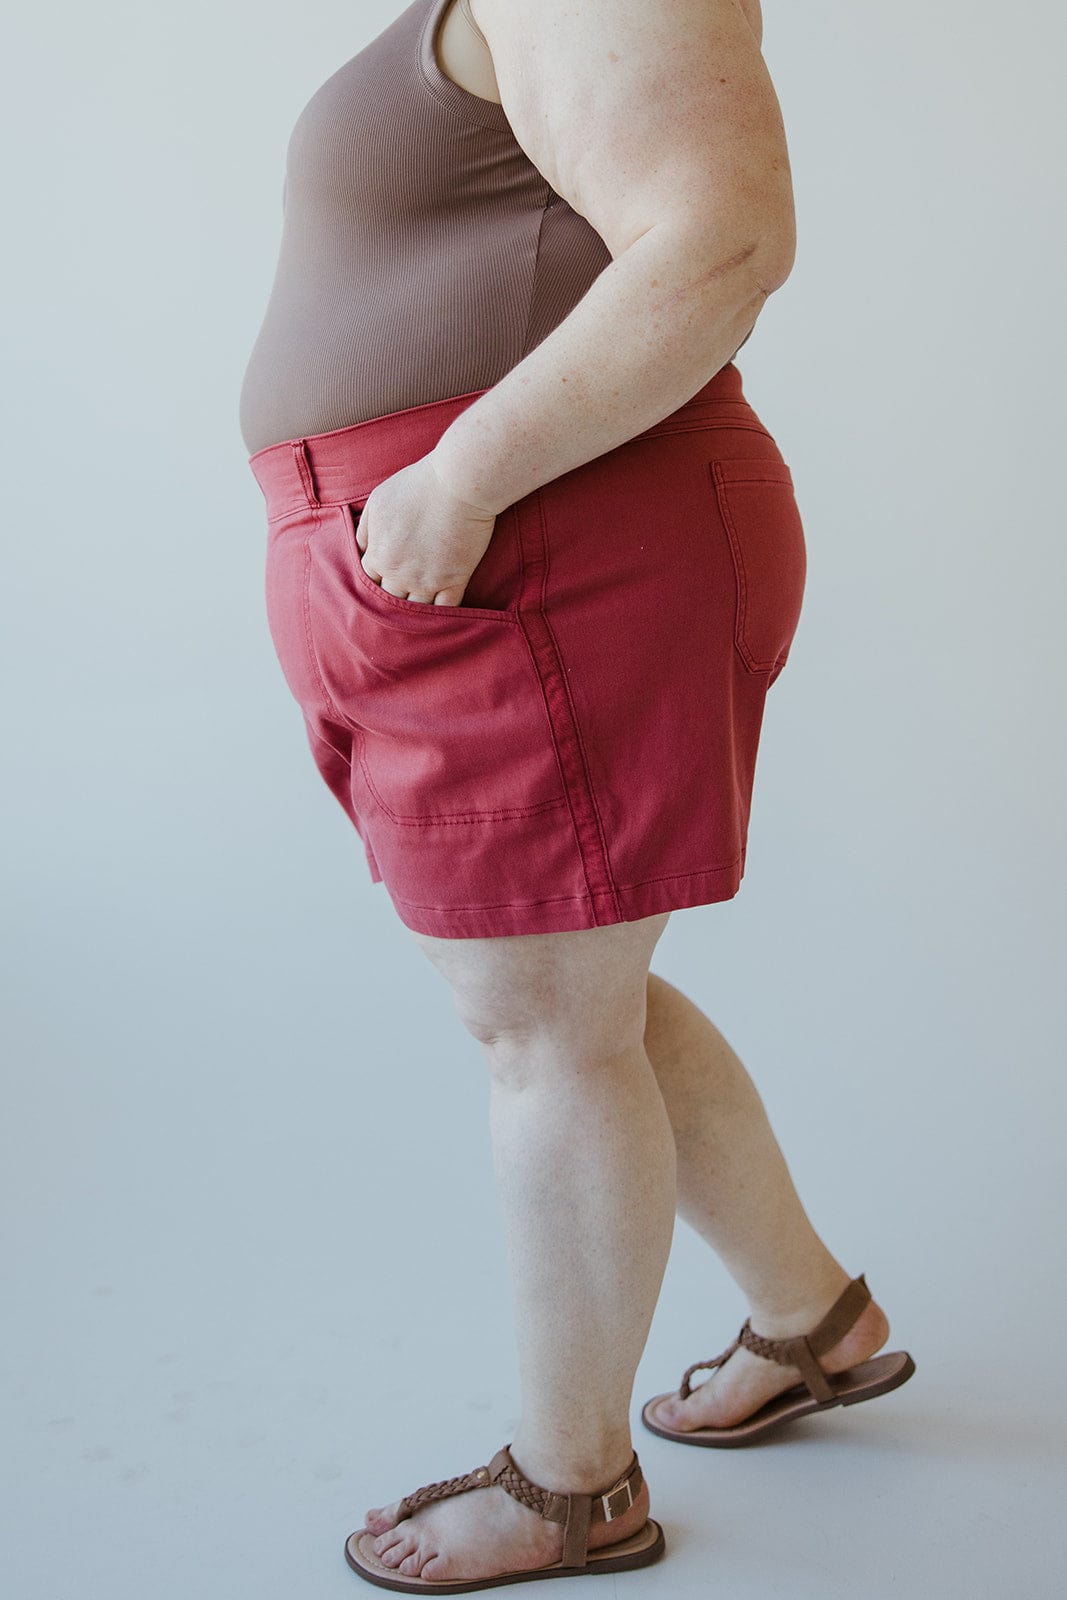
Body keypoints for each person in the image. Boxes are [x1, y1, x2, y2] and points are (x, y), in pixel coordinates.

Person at [239, 1, 914, 1591]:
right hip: (481, 553)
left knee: (549, 1026)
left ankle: (573, 1488)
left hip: (539, 541)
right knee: (575, 1001)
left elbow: (722, 239)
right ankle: (814, 1320)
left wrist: (460, 480)